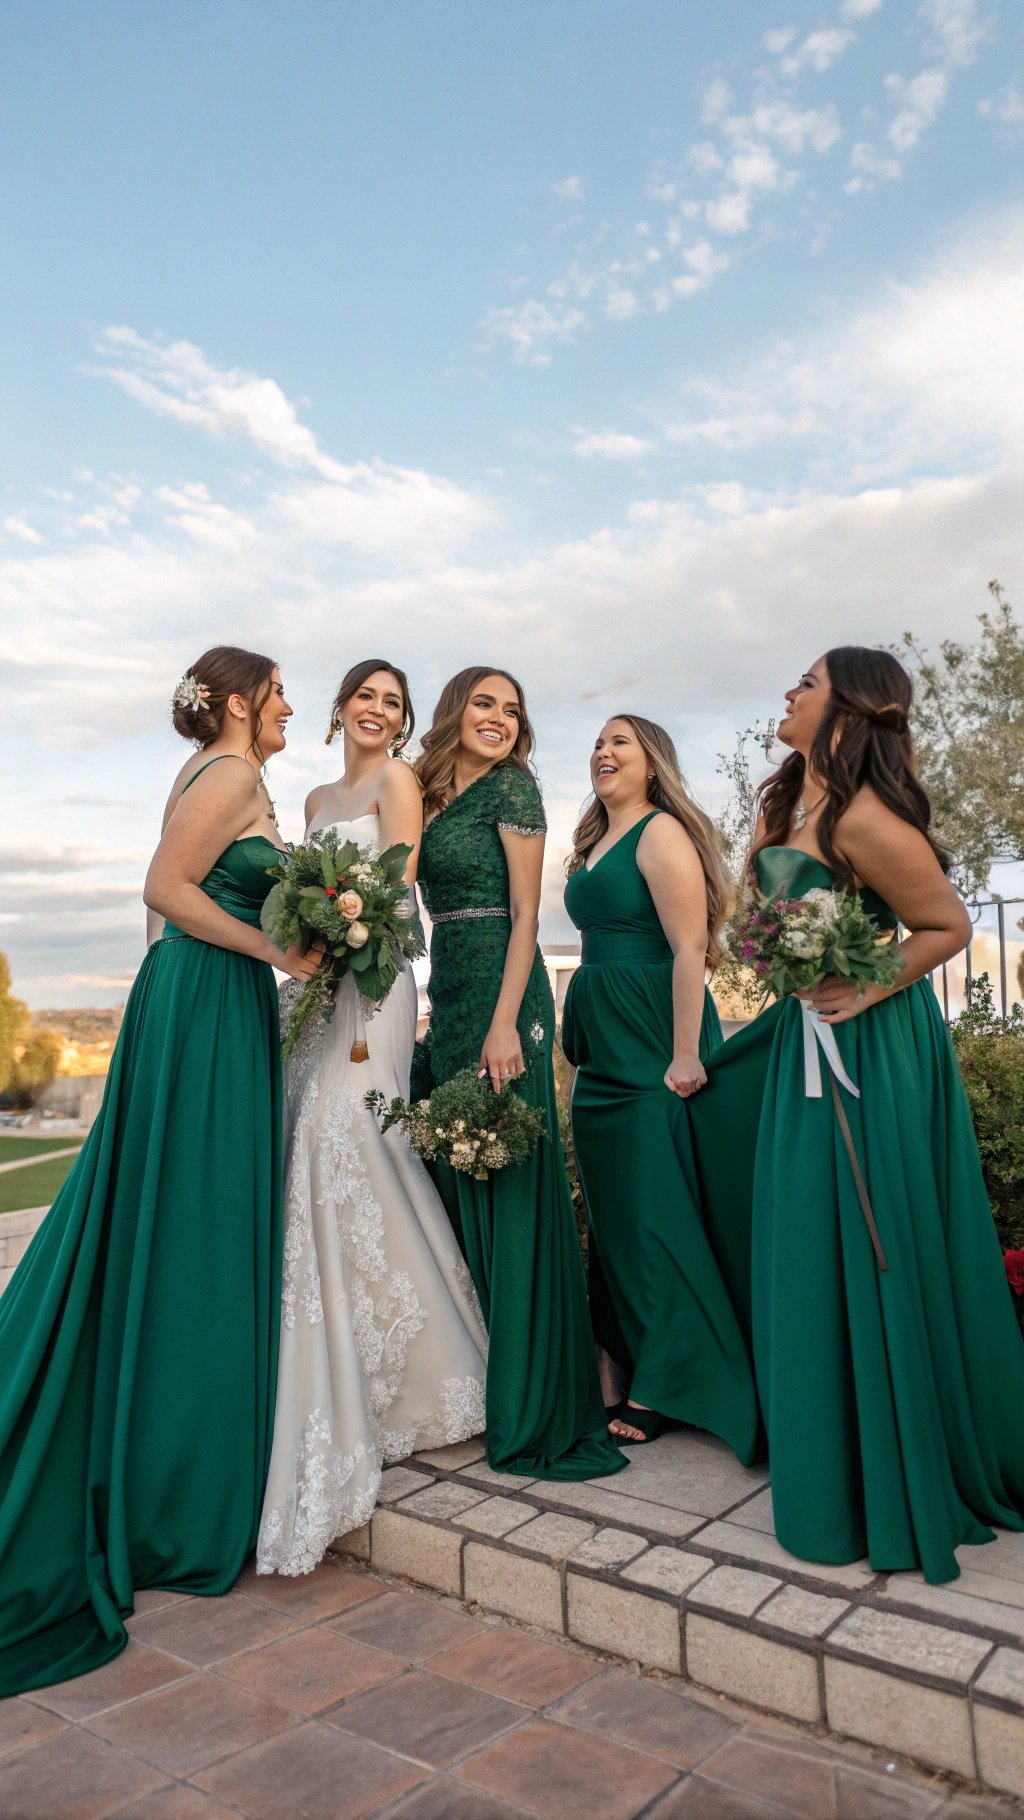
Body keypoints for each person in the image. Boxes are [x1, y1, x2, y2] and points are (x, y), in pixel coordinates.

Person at [0, 646, 321, 1695]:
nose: (288, 707)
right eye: (278, 692)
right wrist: (276, 952)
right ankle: (174, 1484)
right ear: (237, 701)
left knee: (186, 1217)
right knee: (196, 1223)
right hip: (203, 997)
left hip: (211, 998)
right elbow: (164, 887)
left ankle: (171, 1450)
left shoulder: (234, 778)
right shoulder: (227, 774)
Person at [691, 645, 1024, 1583]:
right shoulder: (794, 803)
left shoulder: (869, 816)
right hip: (810, 1040)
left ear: (848, 707)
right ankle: (832, 1464)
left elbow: (950, 926)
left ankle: (894, 1472)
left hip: (872, 1049)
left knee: (869, 1238)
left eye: (807, 681)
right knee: (807, 1242)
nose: (788, 692)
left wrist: (863, 988)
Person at [257, 659, 487, 1576]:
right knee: (307, 1142)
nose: (380, 712)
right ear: (341, 706)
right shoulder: (312, 794)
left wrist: (346, 930)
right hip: (314, 981)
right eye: (368, 696)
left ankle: (426, 1375)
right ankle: (338, 1352)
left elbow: (396, 890)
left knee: (350, 1135)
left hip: (376, 986)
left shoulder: (397, 783)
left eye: (395, 702)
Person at [414, 667, 625, 1482]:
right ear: (455, 711)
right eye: (484, 703)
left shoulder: (514, 792)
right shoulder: (427, 794)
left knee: (513, 1181)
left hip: (508, 994)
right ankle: (480, 1374)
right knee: (455, 1172)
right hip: (452, 988)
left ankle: (540, 1400)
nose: (500, 719)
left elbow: (528, 917)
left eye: (512, 709)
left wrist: (506, 1024)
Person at [561, 715, 760, 1459]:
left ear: (653, 765)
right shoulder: (593, 842)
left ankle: (668, 1384)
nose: (603, 752)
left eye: (621, 743)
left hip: (653, 1051)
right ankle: (630, 1359)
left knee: (657, 1220)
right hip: (602, 1058)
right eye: (598, 742)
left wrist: (684, 1053)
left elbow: (690, 947)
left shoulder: (660, 833)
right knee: (617, 1221)